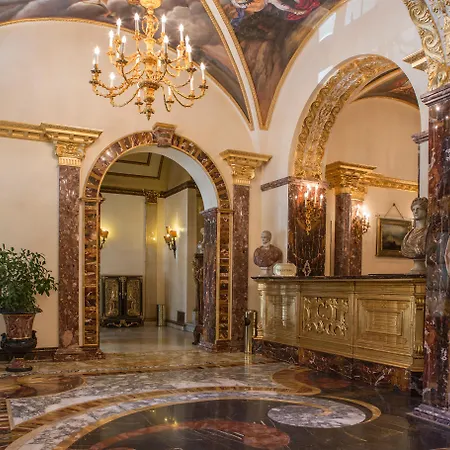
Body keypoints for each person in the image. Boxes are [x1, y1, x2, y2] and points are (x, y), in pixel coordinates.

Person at [401, 197, 428, 274]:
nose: (415, 211)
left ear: (426, 211)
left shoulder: (429, 233)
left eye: (418, 209)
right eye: (413, 209)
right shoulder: (409, 234)